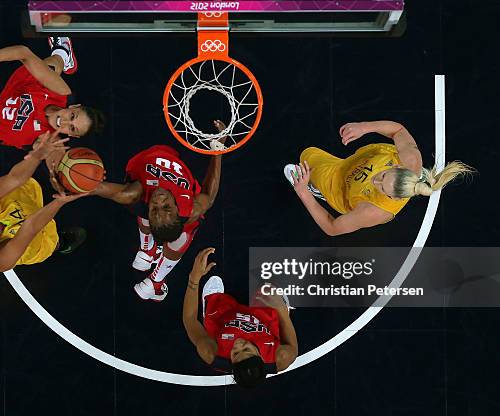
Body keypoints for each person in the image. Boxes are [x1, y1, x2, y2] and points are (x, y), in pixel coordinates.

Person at [86, 121, 225, 301]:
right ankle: (154, 277)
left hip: (146, 157)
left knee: (141, 199)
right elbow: (209, 193)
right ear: (176, 208)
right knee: (187, 228)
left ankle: (149, 258)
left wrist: (73, 181)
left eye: (155, 209)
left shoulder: (134, 194)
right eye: (166, 206)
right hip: (172, 157)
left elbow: (96, 188)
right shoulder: (190, 209)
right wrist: (218, 146)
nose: (159, 200)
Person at [284, 120, 474, 236]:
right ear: (399, 166)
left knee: (306, 156)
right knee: (308, 153)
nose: (375, 180)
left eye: (382, 188)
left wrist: (303, 193)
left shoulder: (374, 211)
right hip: (355, 162)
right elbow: (398, 130)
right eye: (383, 176)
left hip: (341, 186)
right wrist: (365, 127)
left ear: (394, 198)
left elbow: (332, 227)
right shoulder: (411, 159)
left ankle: (317, 190)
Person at [0, 131, 89, 272]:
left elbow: (14, 178)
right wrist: (60, 202)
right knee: (52, 243)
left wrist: (38, 155)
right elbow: (30, 227)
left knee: (42, 180)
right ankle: (62, 243)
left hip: (28, 195)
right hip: (36, 240)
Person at [182, 248, 299, 388]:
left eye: (236, 353)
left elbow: (190, 320)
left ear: (231, 363)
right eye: (247, 350)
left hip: (224, 318)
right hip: (262, 320)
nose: (239, 345)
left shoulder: (210, 353)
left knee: (214, 312)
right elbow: (292, 346)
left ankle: (212, 303)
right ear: (261, 357)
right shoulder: (282, 357)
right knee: (269, 291)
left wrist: (194, 279)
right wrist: (281, 311)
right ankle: (275, 304)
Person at [0, 37, 105, 149]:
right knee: (49, 68)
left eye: (72, 128)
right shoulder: (60, 92)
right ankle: (62, 53)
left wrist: (49, 165)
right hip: (16, 90)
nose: (65, 122)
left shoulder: (49, 142)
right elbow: (24, 52)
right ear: (74, 107)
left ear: (72, 136)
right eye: (72, 116)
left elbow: (53, 159)